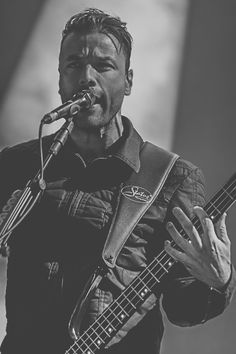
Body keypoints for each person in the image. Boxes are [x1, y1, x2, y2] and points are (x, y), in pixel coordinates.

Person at [0, 8, 235, 354]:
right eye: (74, 64)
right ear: (60, 80)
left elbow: (182, 309)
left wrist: (216, 282)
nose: (86, 77)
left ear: (128, 81)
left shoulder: (173, 179)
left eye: (103, 65)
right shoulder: (18, 165)